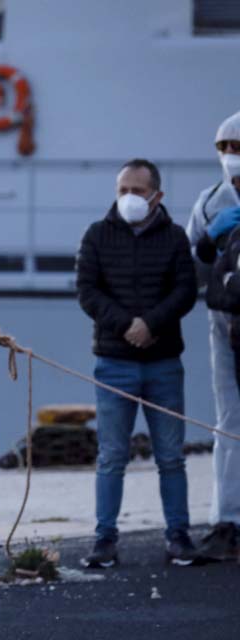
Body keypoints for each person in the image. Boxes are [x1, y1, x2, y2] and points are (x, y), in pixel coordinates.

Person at [76, 158, 198, 568]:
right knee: (111, 456)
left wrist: (151, 325)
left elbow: (185, 289)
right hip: (114, 363)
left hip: (164, 364)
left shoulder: (176, 238)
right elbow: (88, 291)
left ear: (157, 196)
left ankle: (179, 536)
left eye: (138, 191)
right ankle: (104, 539)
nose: (129, 198)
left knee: (171, 456)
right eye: (123, 190)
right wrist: (128, 325)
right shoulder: (96, 236)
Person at [186, 110, 240, 561]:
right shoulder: (210, 202)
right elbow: (193, 269)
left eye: (237, 148)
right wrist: (207, 244)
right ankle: (228, 518)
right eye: (224, 148)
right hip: (224, 321)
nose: (230, 157)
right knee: (228, 419)